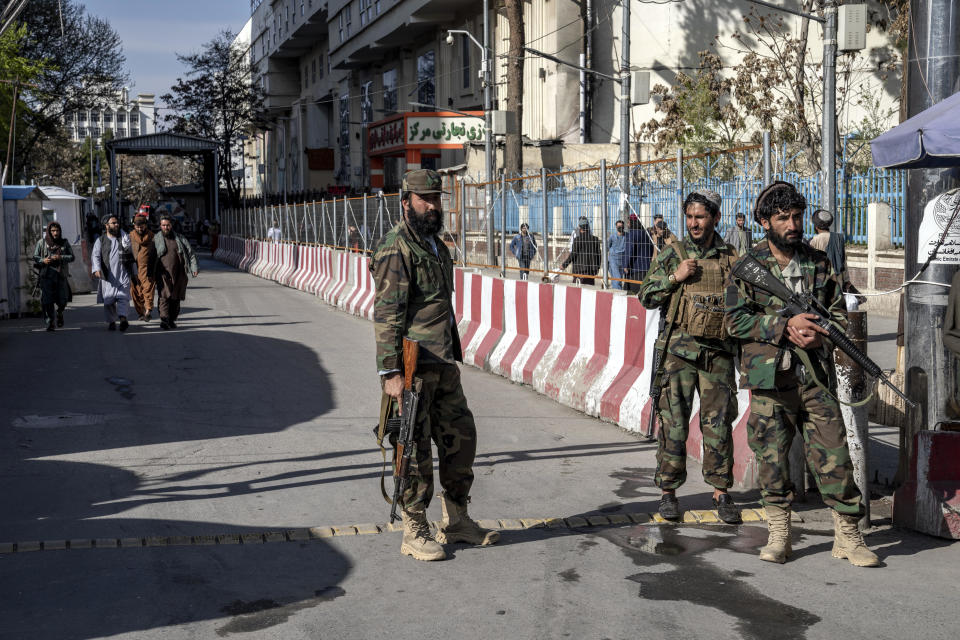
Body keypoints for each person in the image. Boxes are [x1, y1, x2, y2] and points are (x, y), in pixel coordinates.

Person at [725, 181, 879, 567]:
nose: (793, 224)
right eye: (783, 218)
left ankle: (848, 536)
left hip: (814, 379)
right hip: (769, 380)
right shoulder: (748, 267)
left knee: (835, 455)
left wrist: (823, 337)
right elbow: (732, 322)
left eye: (796, 216)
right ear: (764, 221)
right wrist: (782, 326)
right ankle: (780, 535)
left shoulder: (818, 262)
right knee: (772, 459)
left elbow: (840, 312)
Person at [371, 168, 499, 562]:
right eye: (424, 198)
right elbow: (387, 314)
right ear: (405, 200)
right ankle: (414, 528)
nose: (432, 205)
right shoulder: (397, 248)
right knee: (412, 449)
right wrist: (391, 373)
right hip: (411, 369)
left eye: (437, 198)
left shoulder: (436, 245)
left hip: (443, 362)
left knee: (461, 439)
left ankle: (458, 518)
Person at [638, 189, 742, 524]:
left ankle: (721, 491)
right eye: (690, 217)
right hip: (678, 356)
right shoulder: (673, 253)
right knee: (674, 424)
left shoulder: (730, 257)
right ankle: (668, 493)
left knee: (718, 425)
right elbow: (646, 296)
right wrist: (674, 278)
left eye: (701, 217)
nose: (694, 223)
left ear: (715, 218)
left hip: (718, 356)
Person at [154, 215, 199, 330]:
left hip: (179, 273)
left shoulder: (180, 238)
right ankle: (164, 319)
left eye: (167, 225)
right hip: (163, 273)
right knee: (164, 296)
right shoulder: (156, 239)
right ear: (160, 226)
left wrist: (194, 268)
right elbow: (150, 257)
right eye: (163, 225)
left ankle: (172, 319)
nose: (166, 227)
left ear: (171, 225)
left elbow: (190, 253)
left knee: (175, 298)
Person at [91, 215, 133, 332]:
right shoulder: (100, 240)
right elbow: (95, 255)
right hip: (108, 275)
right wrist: (96, 269)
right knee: (108, 300)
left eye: (117, 222)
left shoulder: (124, 238)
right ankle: (112, 321)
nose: (116, 225)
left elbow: (130, 251)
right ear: (106, 225)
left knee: (123, 298)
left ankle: (123, 319)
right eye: (113, 223)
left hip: (123, 274)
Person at [32, 221, 74, 331]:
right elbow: (35, 256)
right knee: (47, 301)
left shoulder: (64, 243)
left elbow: (72, 257)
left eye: (57, 230)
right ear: (49, 231)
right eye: (53, 231)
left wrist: (61, 257)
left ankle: (59, 312)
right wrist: (43, 260)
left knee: (63, 300)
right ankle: (50, 322)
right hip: (47, 276)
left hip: (60, 276)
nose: (55, 233)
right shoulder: (41, 243)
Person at [807, 208, 852, 291]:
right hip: (838, 280)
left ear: (816, 227)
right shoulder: (838, 238)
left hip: (820, 280)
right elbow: (843, 261)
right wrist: (846, 279)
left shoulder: (813, 241)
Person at [129, 213, 157, 322]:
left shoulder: (152, 236)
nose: (140, 228)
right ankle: (140, 313)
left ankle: (148, 310)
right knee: (136, 292)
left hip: (147, 268)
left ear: (146, 225)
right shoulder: (130, 236)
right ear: (134, 226)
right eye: (137, 226)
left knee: (148, 289)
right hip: (134, 268)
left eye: (142, 226)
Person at [561, 218, 601, 285]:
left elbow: (573, 254)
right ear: (588, 227)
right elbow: (599, 255)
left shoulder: (577, 240)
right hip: (591, 271)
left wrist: (564, 265)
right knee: (589, 290)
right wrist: (597, 268)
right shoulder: (595, 239)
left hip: (579, 270)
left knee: (578, 291)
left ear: (580, 228)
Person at [624, 213, 654, 291]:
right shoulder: (646, 234)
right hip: (647, 269)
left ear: (631, 222)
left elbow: (629, 251)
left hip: (636, 269)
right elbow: (651, 249)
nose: (627, 224)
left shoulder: (631, 234)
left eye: (628, 222)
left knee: (634, 294)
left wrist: (625, 265)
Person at [607, 219, 627, 290]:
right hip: (614, 259)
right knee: (617, 277)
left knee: (619, 278)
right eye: (618, 226)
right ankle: (617, 291)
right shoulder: (612, 236)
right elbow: (608, 246)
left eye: (621, 226)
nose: (620, 227)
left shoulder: (626, 236)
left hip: (622, 259)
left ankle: (616, 291)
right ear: (616, 227)